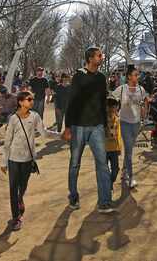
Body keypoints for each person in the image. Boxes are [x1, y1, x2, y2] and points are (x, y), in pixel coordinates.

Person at [63, 46, 114, 214]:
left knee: (102, 164)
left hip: (97, 126)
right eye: (99, 56)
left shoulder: (101, 78)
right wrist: (68, 127)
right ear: (90, 58)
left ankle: (104, 202)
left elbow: (102, 102)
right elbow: (72, 101)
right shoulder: (78, 76)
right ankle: (73, 197)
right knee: (74, 164)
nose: (102, 57)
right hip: (78, 126)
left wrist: (106, 126)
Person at [0, 91, 56, 231]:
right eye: (29, 99)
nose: (32, 101)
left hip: (27, 159)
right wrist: (4, 162)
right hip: (13, 158)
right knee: (13, 188)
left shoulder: (35, 116)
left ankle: (20, 199)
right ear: (20, 102)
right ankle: (16, 217)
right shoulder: (13, 119)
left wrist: (61, 136)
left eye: (32, 99)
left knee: (22, 186)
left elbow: (44, 133)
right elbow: (7, 141)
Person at [111, 65, 147, 188]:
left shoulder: (141, 89)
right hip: (124, 122)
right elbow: (111, 99)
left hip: (136, 123)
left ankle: (124, 171)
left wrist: (143, 118)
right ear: (129, 76)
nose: (137, 77)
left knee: (129, 150)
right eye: (135, 75)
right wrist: (114, 113)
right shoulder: (121, 89)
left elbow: (144, 103)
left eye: (138, 75)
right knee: (129, 151)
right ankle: (130, 177)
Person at [104, 98, 122, 189]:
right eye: (115, 107)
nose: (117, 109)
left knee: (116, 169)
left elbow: (118, 135)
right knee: (104, 170)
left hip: (114, 149)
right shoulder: (102, 120)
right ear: (109, 107)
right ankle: (107, 185)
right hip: (104, 149)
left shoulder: (117, 119)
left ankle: (110, 182)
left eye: (116, 107)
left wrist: (119, 148)